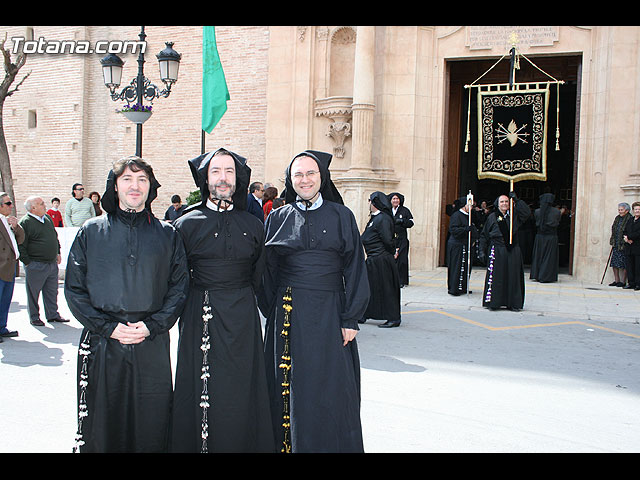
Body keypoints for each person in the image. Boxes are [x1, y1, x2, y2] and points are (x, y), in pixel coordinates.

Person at [64, 156, 189, 453]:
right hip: (103, 342)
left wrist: (151, 326)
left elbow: (179, 286)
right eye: (127, 179)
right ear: (115, 187)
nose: (135, 186)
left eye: (142, 180)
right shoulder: (91, 232)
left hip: (151, 341)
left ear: (151, 188)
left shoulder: (168, 234)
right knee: (103, 423)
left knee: (152, 421)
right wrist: (109, 328)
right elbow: (74, 289)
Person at [258, 150, 369, 453]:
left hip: (331, 313)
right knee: (292, 386)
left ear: (322, 177)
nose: (305, 180)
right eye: (298, 175)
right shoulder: (277, 217)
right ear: (290, 180)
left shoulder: (341, 215)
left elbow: (355, 268)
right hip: (289, 314)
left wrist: (350, 318)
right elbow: (267, 270)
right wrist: (273, 310)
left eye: (310, 174)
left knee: (332, 387)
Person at [170, 148, 274, 453]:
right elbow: (175, 278)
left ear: (238, 178)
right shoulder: (185, 224)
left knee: (242, 387)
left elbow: (260, 273)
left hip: (243, 313)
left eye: (229, 171)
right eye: (216, 171)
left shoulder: (254, 224)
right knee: (203, 387)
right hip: (199, 312)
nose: (223, 178)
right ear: (205, 178)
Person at [18, 196, 68, 326]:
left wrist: (57, 252)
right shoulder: (26, 222)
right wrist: (27, 262)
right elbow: (21, 245)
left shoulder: (47, 219)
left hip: (51, 263)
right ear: (33, 208)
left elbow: (54, 237)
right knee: (33, 293)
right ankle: (34, 317)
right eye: (41, 204)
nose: (45, 205)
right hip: (36, 264)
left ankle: (53, 314)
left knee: (52, 291)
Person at [479, 192, 531, 311]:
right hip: (497, 249)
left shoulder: (514, 215)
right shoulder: (492, 217)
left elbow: (527, 213)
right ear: (497, 204)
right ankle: (494, 302)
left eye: (507, 201)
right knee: (497, 277)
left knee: (513, 276)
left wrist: (517, 200)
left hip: (512, 250)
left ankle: (513, 303)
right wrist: (481, 251)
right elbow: (484, 235)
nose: (504, 204)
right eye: (502, 202)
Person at [362, 191, 401, 327]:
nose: (369, 203)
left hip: (381, 259)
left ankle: (394, 317)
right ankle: (364, 314)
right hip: (374, 259)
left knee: (387, 289)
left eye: (370, 200)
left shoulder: (383, 219)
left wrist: (392, 252)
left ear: (375, 203)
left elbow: (387, 240)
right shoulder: (375, 218)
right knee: (369, 288)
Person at [0, 193, 24, 342]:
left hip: (9, 268)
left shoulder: (7, 221)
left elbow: (20, 239)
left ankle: (2, 327)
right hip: (2, 267)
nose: (11, 206)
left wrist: (16, 227)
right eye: (8, 204)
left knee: (5, 300)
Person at [447, 196, 478, 296]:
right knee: (457, 267)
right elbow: (453, 230)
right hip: (457, 245)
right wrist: (466, 229)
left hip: (466, 245)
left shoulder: (470, 215)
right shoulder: (456, 215)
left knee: (466, 267)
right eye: (470, 205)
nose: (471, 207)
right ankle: (455, 288)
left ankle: (463, 287)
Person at [530, 193, 562, 283]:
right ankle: (546, 276)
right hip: (551, 237)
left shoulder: (537, 212)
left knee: (539, 256)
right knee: (549, 257)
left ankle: (537, 274)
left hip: (540, 237)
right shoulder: (557, 212)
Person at [387, 192, 414, 287]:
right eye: (393, 199)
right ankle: (391, 280)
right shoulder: (388, 211)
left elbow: (411, 222)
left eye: (397, 199)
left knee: (402, 260)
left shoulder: (404, 210)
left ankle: (402, 281)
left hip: (402, 239)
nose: (395, 200)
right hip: (391, 239)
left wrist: (402, 221)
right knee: (391, 260)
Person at [609, 202, 632, 287]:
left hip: (624, 244)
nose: (620, 211)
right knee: (614, 263)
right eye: (619, 209)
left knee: (625, 263)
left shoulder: (629, 218)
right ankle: (616, 280)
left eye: (621, 210)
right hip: (616, 243)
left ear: (626, 210)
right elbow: (613, 228)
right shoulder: (617, 218)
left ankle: (623, 281)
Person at [623, 201, 640, 290]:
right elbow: (625, 230)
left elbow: (638, 233)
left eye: (639, 209)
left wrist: (629, 237)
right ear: (633, 210)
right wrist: (626, 237)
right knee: (629, 266)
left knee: (638, 266)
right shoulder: (630, 219)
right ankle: (631, 282)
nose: (637, 211)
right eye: (636, 209)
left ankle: (638, 284)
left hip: (637, 247)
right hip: (629, 247)